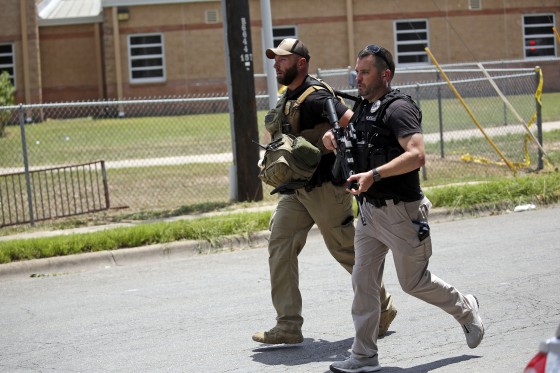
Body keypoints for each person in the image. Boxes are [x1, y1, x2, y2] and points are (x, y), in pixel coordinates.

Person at [326, 45, 485, 373]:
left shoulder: (398, 109)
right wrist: (334, 137)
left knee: (413, 282)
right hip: (370, 213)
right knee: (363, 280)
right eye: (356, 71)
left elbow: (417, 155)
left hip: (402, 213)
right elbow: (356, 139)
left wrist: (374, 175)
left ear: (385, 75)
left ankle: (466, 309)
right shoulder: (365, 108)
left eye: (365, 72)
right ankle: (364, 356)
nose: (358, 77)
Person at [252, 38, 398, 345]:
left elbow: (354, 123)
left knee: (346, 251)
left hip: (325, 190)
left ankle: (382, 308)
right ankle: (288, 325)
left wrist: (337, 132)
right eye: (275, 59)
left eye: (283, 59)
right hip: (296, 191)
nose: (276, 64)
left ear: (300, 63)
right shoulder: (288, 95)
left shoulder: (316, 96)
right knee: (280, 245)